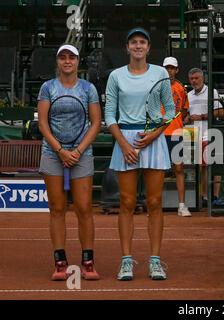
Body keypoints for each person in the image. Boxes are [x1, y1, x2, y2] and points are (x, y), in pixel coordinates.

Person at [104, 27, 175, 281]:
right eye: (133, 42)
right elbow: (109, 114)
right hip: (125, 140)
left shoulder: (160, 74)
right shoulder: (115, 76)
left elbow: (170, 111)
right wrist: (123, 143)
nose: (137, 46)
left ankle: (155, 261)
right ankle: (126, 261)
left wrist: (154, 134)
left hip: (152, 141)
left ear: (148, 47)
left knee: (155, 203)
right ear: (127, 47)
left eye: (142, 42)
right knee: (126, 203)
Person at [37, 44, 102, 281]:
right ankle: (60, 262)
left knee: (84, 208)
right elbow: (42, 123)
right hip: (53, 153)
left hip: (81, 154)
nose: (67, 61)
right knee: (57, 209)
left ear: (77, 62)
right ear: (58, 62)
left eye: (71, 57)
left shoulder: (88, 88)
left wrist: (77, 150)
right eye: (63, 57)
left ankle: (87, 261)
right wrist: (60, 150)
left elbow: (96, 123)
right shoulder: (47, 88)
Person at [186, 68, 224, 207]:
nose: (194, 81)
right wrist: (187, 118)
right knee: (201, 166)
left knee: (213, 165)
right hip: (193, 134)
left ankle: (214, 196)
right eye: (192, 79)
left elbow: (220, 112)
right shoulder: (188, 95)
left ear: (202, 78)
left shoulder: (212, 92)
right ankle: (204, 197)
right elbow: (186, 115)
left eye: (196, 78)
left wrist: (201, 116)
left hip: (209, 133)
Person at [162, 56, 191, 217]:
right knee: (157, 171)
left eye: (172, 68)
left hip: (176, 132)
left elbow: (184, 111)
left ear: (177, 70)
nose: (169, 71)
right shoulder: (157, 87)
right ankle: (154, 205)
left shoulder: (181, 88)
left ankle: (181, 205)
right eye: (167, 68)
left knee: (179, 169)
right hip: (159, 134)